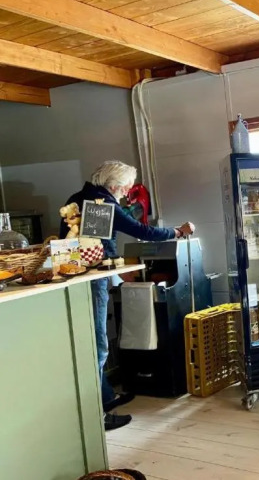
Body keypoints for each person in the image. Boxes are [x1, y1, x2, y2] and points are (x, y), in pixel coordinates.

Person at [60, 160, 195, 431]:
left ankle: (107, 397)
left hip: (74, 277)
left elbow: (87, 244)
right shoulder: (102, 204)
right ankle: (96, 416)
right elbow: (141, 231)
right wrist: (178, 232)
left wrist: (116, 266)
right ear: (114, 185)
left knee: (91, 341)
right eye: (125, 188)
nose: (126, 194)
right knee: (97, 345)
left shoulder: (78, 199)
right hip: (91, 281)